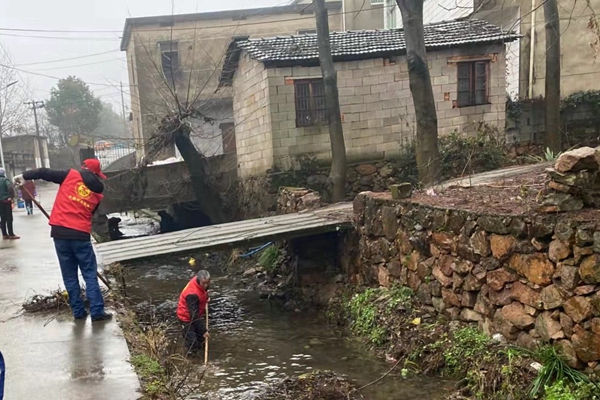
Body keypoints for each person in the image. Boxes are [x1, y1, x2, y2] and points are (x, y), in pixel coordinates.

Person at [13, 159, 112, 322]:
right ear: (97, 174)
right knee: (89, 274)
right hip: (80, 234)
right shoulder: (98, 193)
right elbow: (91, 213)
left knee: (69, 276)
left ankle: (78, 312)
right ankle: (97, 312)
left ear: (84, 168)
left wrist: (24, 176)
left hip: (60, 233)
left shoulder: (70, 175)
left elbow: (43, 172)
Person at [176, 270, 210, 356]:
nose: (206, 285)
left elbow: (205, 290)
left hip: (195, 314)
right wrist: (204, 330)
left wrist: (206, 298)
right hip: (185, 317)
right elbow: (194, 316)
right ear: (198, 281)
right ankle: (191, 360)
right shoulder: (191, 294)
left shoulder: (201, 283)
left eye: (207, 283)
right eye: (204, 283)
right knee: (192, 344)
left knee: (202, 340)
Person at [0, 167, 19, 240]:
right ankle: (11, 234)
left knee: (2, 218)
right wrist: (11, 197)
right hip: (6, 201)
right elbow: (10, 187)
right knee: (9, 218)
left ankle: (4, 234)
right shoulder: (5, 180)